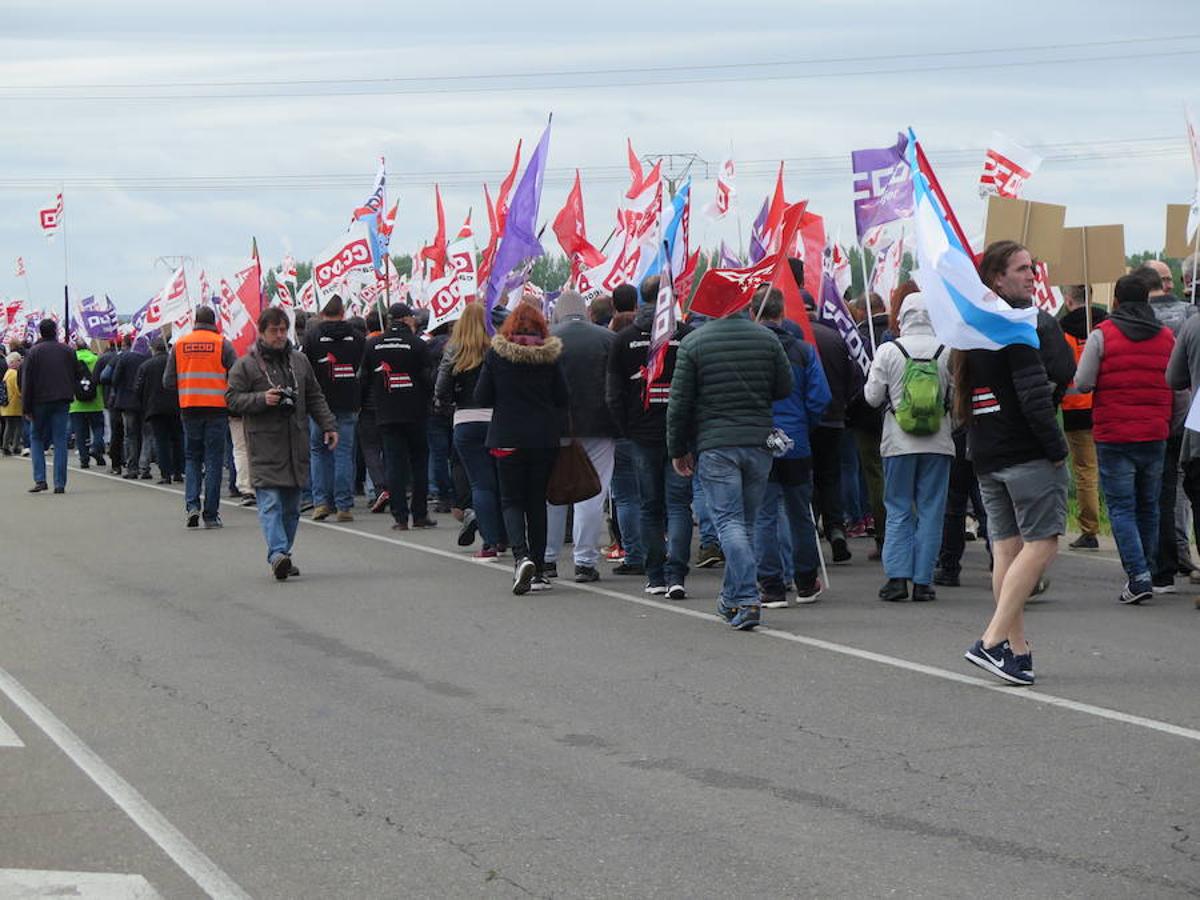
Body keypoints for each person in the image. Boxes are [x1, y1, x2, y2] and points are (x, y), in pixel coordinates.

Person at [957, 245, 1071, 686]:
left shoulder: (972, 330)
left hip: (986, 454)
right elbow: (1034, 396)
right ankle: (989, 641)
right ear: (997, 280)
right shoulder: (1018, 327)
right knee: (1041, 545)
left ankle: (1015, 652)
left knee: (1006, 550)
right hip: (1025, 454)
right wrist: (1055, 447)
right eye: (1022, 269)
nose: (1032, 275)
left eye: (1033, 267)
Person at [667, 302, 793, 631]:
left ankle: (748, 598)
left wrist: (678, 449)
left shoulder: (694, 342)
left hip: (716, 443)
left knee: (728, 523)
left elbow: (679, 403)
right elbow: (784, 388)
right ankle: (730, 598)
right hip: (758, 442)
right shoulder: (767, 338)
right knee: (744, 525)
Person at [1073, 274, 1175, 605]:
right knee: (1149, 505)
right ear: (1147, 300)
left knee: (1121, 507)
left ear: (1115, 301)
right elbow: (1177, 383)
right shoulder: (1166, 337)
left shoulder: (1102, 335)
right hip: (1155, 432)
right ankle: (1146, 569)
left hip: (1114, 433)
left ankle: (1138, 575)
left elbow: (1084, 382)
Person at [226, 306, 338, 580]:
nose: (279, 335)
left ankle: (283, 554)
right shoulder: (246, 364)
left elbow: (314, 396)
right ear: (262, 332)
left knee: (291, 507)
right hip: (264, 445)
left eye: (283, 329)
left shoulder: (299, 361)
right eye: (274, 330)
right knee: (271, 503)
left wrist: (328, 425)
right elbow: (231, 399)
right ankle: (277, 553)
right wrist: (261, 399)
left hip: (295, 443)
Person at [606, 279, 694, 598]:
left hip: (643, 434)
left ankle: (656, 575)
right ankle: (675, 575)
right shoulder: (684, 336)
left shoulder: (624, 338)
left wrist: (626, 428)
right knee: (678, 505)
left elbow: (613, 393)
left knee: (650, 506)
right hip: (678, 434)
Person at [864, 291, 954, 602]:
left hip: (898, 443)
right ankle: (923, 581)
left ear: (902, 318)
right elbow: (957, 397)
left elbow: (872, 397)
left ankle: (897, 578)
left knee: (899, 507)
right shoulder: (948, 351)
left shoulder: (889, 350)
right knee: (931, 510)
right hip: (939, 442)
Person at [474, 303, 568, 595]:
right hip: (543, 439)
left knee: (511, 500)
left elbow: (481, 396)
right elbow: (562, 397)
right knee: (536, 502)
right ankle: (538, 569)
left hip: (507, 436)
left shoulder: (497, 355)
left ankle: (521, 556)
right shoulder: (549, 356)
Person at [750, 287, 831, 607]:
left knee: (764, 514)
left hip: (759, 440)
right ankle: (806, 581)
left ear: (753, 313)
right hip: (795, 441)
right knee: (800, 514)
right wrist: (803, 425)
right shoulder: (802, 350)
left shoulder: (751, 349)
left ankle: (771, 585)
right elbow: (820, 397)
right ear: (782, 312)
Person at [544, 290, 618, 583]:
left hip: (555, 427)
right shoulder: (606, 338)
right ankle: (585, 561)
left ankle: (547, 558)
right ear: (585, 311)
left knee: (553, 493)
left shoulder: (546, 338)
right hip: (599, 424)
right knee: (593, 491)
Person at [791, 260, 859, 565]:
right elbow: (855, 378)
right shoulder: (835, 338)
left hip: (805, 420)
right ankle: (835, 529)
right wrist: (843, 404)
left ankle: (808, 534)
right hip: (833, 419)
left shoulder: (796, 341)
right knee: (830, 476)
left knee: (803, 478)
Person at [1139, 262, 1196, 592]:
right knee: (1175, 489)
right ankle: (1174, 553)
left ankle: (1154, 563)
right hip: (1181, 413)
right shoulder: (1188, 315)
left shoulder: (1132, 320)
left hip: (1152, 418)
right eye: (1165, 279)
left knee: (1155, 491)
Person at [435, 302, 507, 558]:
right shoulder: (498, 347)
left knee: (480, 484)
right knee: (501, 480)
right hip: (496, 420)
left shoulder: (454, 349)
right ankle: (505, 537)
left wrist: (446, 406)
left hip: (465, 419)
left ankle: (489, 543)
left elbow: (441, 387)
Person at [360, 303, 436, 531]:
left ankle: (400, 517)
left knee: (394, 464)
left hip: (387, 412)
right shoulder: (417, 344)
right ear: (406, 320)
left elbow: (363, 379)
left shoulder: (373, 345)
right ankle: (420, 514)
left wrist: (363, 404)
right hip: (415, 412)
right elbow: (428, 379)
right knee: (419, 462)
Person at [165, 306, 237, 528]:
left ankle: (192, 506)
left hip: (189, 408)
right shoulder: (222, 344)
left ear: (195, 321)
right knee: (214, 460)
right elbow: (237, 376)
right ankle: (211, 515)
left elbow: (167, 381)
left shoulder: (179, 345)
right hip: (216, 409)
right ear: (214, 321)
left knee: (192, 458)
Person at [302, 295, 365, 523]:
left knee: (319, 452)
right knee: (343, 453)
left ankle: (320, 503)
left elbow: (304, 370)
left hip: (319, 403)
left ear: (321, 312)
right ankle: (344, 505)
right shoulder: (358, 338)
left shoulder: (312, 337)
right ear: (343, 312)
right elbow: (361, 369)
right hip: (348, 401)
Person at [1057, 284, 1107, 551]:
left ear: (1067, 299)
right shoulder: (1106, 326)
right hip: (1106, 405)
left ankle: (1089, 529)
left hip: (1076, 408)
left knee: (1086, 471)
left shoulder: (1061, 331)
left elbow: (1060, 370)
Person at [19, 319, 79, 494]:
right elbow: (76, 374)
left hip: (39, 401)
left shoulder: (34, 352)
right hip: (62, 399)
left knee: (36, 438)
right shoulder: (68, 350)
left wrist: (26, 408)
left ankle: (40, 479)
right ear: (55, 331)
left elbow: (27, 381)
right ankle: (59, 483)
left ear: (40, 332)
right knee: (59, 439)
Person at [135, 335, 183, 484]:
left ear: (153, 349)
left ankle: (165, 474)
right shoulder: (177, 363)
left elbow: (138, 388)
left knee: (161, 441)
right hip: (176, 406)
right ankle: (178, 472)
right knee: (177, 440)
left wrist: (144, 405)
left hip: (154, 408)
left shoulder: (146, 365)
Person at [109, 336, 150, 480]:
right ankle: (144, 467)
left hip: (127, 402)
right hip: (145, 402)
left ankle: (132, 467)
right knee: (146, 435)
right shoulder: (148, 358)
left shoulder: (125, 358)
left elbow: (114, 379)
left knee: (131, 435)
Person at [69, 339, 106, 469]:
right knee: (98, 428)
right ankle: (96, 447)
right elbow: (102, 378)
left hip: (76, 403)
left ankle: (84, 459)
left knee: (80, 432)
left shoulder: (71, 361)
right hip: (95, 401)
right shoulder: (96, 359)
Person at [92, 339, 123, 473]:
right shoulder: (136, 357)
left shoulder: (105, 359)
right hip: (131, 400)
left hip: (108, 398)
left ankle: (114, 457)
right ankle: (127, 459)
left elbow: (97, 378)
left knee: (114, 429)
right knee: (129, 432)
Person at [1, 352, 22, 456]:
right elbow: (18, 389)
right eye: (18, 360)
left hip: (6, 405)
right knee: (18, 426)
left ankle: (5, 446)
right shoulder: (14, 373)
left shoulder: (7, 373)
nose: (20, 362)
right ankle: (15, 446)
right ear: (13, 362)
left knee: (9, 426)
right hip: (14, 404)